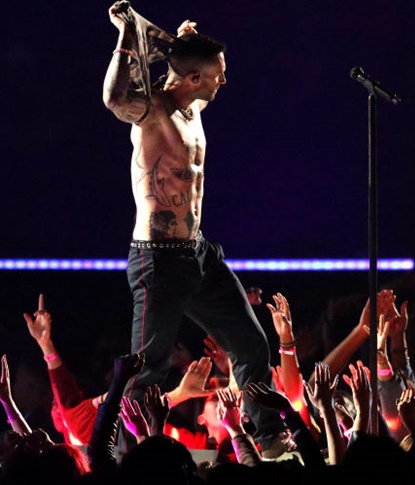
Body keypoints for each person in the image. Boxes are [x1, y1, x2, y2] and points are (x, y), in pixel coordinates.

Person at [102, 1, 286, 456]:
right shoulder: (154, 113)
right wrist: (127, 33)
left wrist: (176, 40)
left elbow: (181, 61)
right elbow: (114, 97)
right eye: (217, 73)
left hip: (198, 254)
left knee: (250, 343)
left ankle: (267, 438)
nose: (224, 80)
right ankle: (127, 456)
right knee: (147, 370)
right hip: (157, 259)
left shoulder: (192, 103)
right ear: (194, 78)